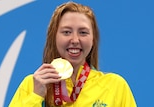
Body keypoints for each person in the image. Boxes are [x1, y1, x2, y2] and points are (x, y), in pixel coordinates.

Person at [9, 1, 137, 107]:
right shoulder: (32, 84)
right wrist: (36, 96)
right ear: (54, 37)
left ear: (93, 40)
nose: (75, 40)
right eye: (66, 32)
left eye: (83, 32)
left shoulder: (115, 86)